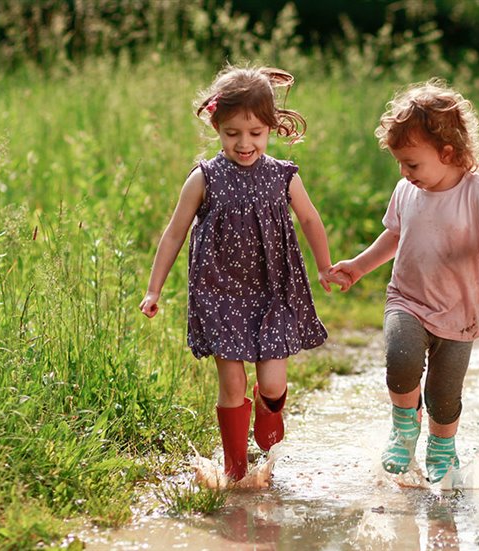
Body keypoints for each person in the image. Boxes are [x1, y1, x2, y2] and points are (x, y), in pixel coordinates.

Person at [140, 64, 345, 482]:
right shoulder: (204, 178)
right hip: (220, 293)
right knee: (231, 384)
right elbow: (174, 232)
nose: (244, 143)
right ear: (216, 126)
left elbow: (309, 219)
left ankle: (268, 406)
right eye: (232, 133)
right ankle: (235, 470)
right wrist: (153, 289)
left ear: (271, 127)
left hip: (273, 291)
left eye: (255, 133)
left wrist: (325, 266)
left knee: (272, 383)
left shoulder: (283, 175)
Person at [332, 80, 479, 483]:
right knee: (400, 360)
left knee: (443, 394)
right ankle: (403, 429)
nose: (404, 172)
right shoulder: (406, 191)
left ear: (447, 153)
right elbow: (394, 237)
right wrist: (360, 266)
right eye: (400, 163)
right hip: (407, 299)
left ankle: (442, 445)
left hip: (460, 314)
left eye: (412, 163)